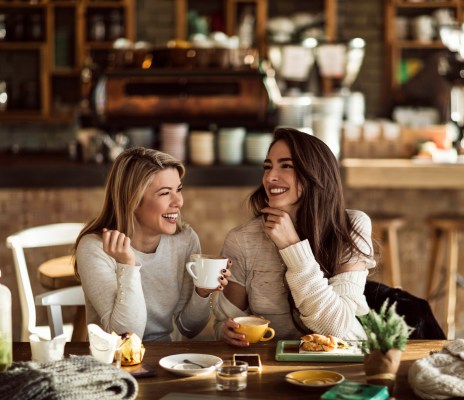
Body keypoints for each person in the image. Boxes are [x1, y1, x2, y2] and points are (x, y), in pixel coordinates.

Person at [214, 128, 376, 346]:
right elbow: (224, 325)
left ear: (314, 174)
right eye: (268, 167)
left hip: (338, 364)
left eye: (286, 166)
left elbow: (337, 329)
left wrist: (293, 247)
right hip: (268, 364)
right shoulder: (242, 240)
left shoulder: (350, 227)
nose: (270, 177)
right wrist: (228, 332)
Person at [74, 147, 230, 341]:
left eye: (178, 190)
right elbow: (127, 336)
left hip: (166, 360)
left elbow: (189, 328)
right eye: (165, 193)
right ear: (132, 200)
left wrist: (202, 292)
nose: (179, 202)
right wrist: (127, 265)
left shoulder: (185, 240)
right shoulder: (96, 248)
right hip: (114, 362)